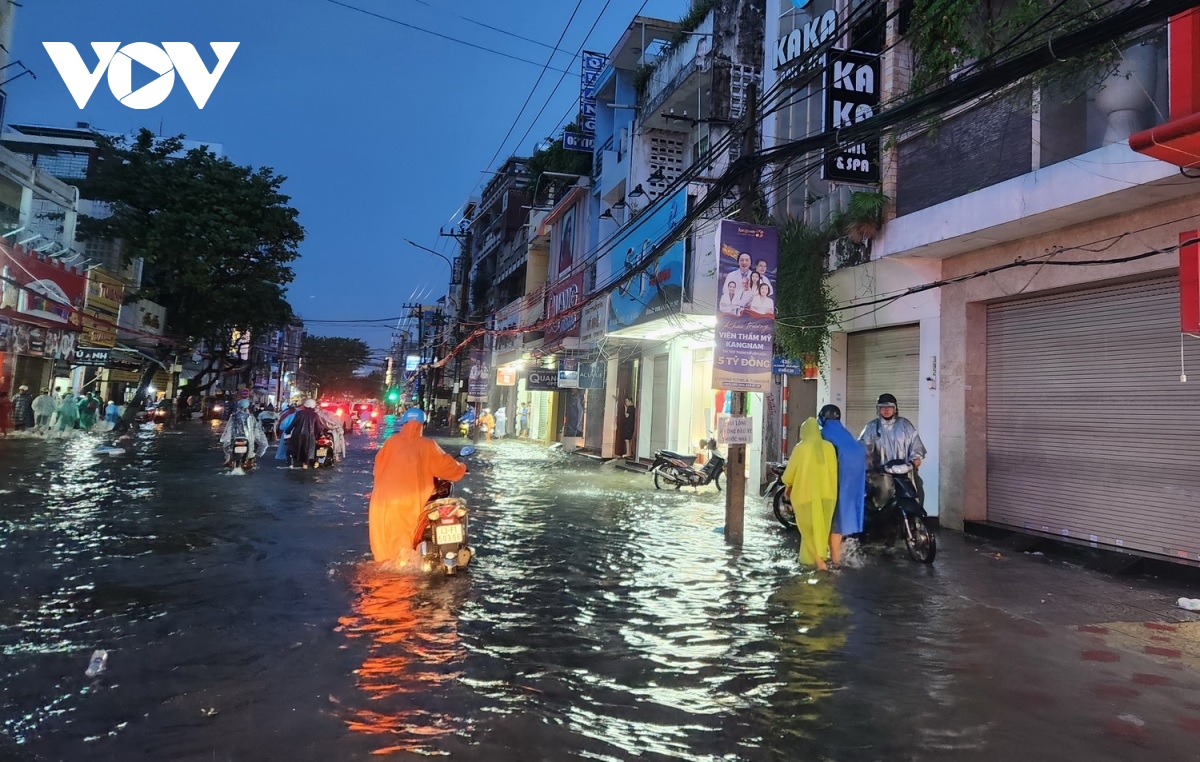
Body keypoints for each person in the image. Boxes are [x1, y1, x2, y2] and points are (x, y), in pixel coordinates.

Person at [368, 407, 467, 569]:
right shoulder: (428, 446)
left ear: (404, 423)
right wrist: (462, 468)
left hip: (383, 501)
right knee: (408, 536)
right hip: (410, 501)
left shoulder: (391, 442)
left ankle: (388, 568)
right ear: (422, 425)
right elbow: (446, 466)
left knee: (385, 544)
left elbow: (377, 469)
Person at [782, 417, 838, 570]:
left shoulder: (801, 448)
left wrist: (787, 484)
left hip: (805, 497)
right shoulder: (829, 447)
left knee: (807, 531)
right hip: (828, 496)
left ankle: (820, 563)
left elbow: (789, 474)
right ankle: (811, 560)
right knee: (822, 529)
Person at [818, 404, 867, 566]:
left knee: (832, 522)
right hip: (855, 484)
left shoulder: (824, 435)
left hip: (836, 483)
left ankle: (835, 560)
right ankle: (838, 555)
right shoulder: (845, 434)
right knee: (841, 520)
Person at [858, 393, 926, 507]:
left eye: (889, 407)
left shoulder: (905, 425)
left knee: (917, 494)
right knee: (879, 503)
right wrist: (870, 468)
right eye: (882, 407)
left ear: (895, 409)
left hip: (905, 473)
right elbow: (862, 450)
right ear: (878, 409)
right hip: (880, 475)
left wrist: (913, 462)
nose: (886, 410)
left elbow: (917, 449)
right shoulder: (871, 427)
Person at [220, 398, 269, 466]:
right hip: (248, 439)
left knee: (228, 449)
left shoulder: (234, 416)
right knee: (254, 451)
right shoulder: (251, 417)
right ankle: (251, 459)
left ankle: (228, 459)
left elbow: (228, 428)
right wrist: (259, 438)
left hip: (235, 438)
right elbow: (256, 429)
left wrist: (224, 438)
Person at [287, 399, 323, 468]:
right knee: (307, 454)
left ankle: (293, 464)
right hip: (310, 437)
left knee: (294, 452)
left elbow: (293, 424)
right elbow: (318, 427)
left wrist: (288, 431)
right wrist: (321, 434)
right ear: (313, 407)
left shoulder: (299, 413)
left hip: (297, 436)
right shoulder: (315, 415)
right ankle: (305, 465)